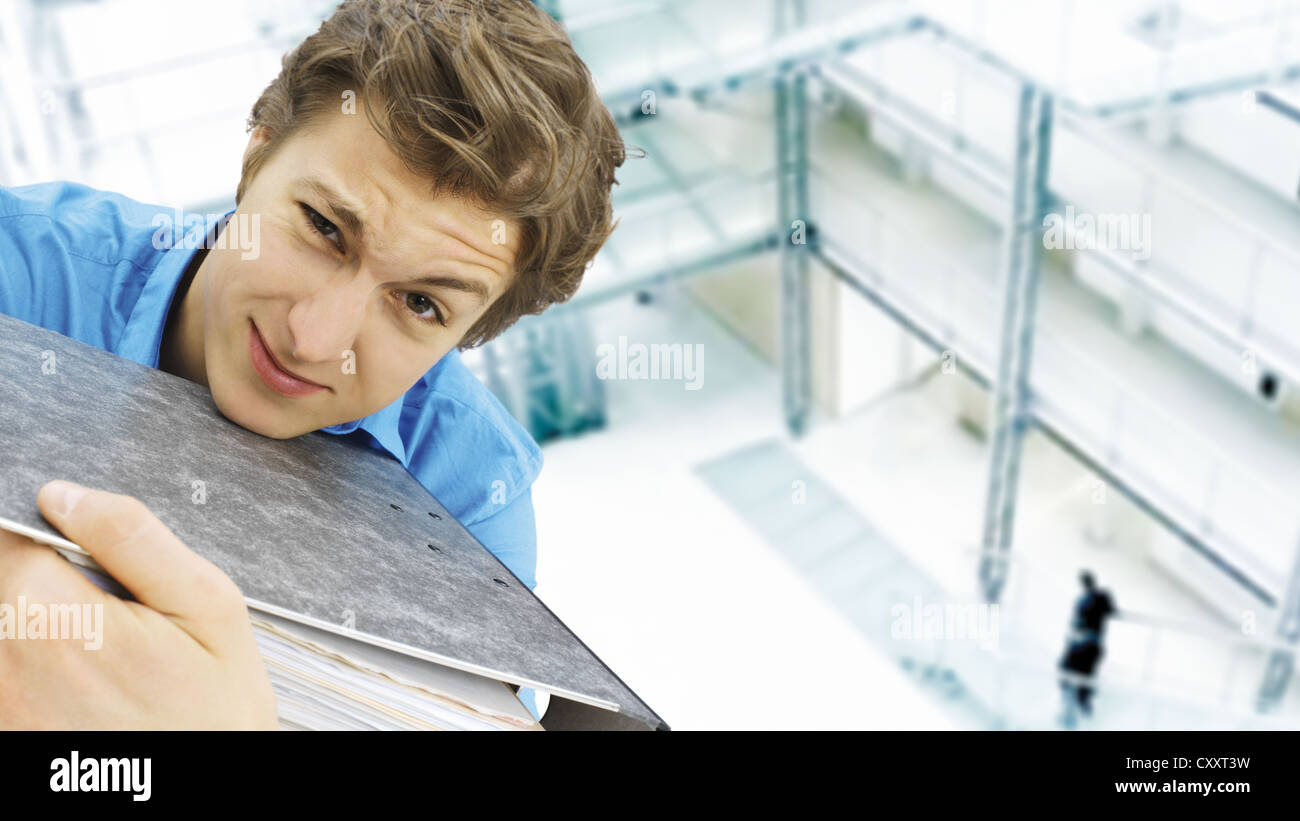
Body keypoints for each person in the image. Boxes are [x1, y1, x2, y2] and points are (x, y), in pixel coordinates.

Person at [0, 0, 625, 728]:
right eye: (324, 227)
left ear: (472, 332)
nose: (316, 337)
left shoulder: (469, 494)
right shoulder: (22, 273)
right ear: (256, 154)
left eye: (421, 303)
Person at [1058, 571, 1118, 728]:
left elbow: (1078, 623)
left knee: (1076, 676)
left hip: (1086, 645)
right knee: (1076, 676)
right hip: (1087, 645)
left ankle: (1078, 711)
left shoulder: (1090, 600)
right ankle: (1077, 710)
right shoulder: (1094, 598)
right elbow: (1111, 611)